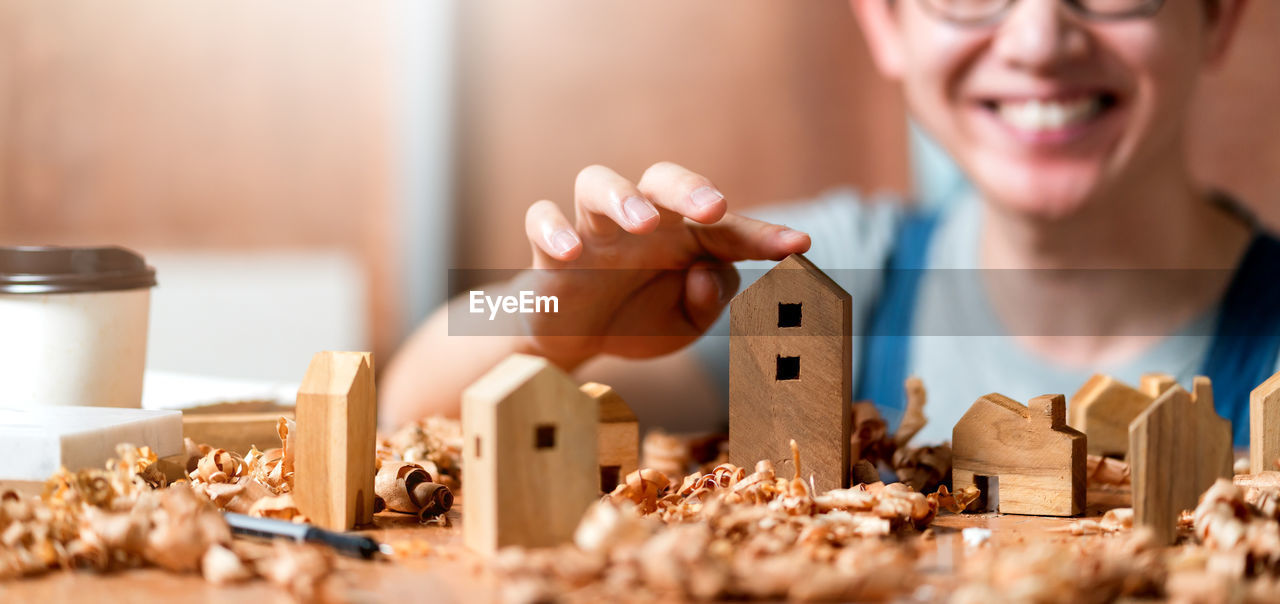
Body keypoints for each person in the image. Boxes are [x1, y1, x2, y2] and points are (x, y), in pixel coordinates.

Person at [382, 0, 1278, 446]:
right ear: (886, 24)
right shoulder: (826, 277)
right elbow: (408, 403)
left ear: (1219, 19)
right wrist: (544, 317)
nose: (1040, 39)